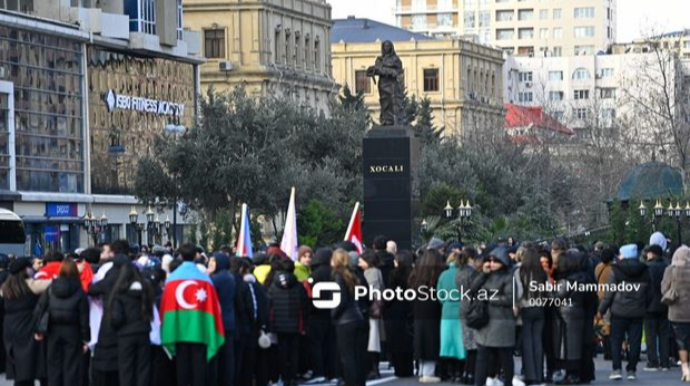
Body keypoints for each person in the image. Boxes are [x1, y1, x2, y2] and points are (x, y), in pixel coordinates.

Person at [160, 243, 226, 386]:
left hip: (179, 330)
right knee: (200, 368)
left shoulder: (171, 280)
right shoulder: (205, 280)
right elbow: (213, 307)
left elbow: (165, 307)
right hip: (200, 329)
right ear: (196, 256)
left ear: (181, 256)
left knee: (182, 367)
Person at [598, 244, 651, 381]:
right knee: (635, 341)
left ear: (624, 255)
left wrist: (601, 310)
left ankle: (617, 369)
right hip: (637, 312)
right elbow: (650, 294)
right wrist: (644, 307)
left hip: (618, 311)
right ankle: (632, 369)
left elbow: (609, 294)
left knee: (616, 341)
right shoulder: (644, 270)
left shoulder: (615, 271)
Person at [33, 258, 89, 386]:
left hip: (53, 330)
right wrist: (86, 338)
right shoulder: (79, 290)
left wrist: (37, 329)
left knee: (53, 366)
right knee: (72, 366)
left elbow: (40, 308)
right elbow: (83, 317)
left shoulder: (52, 287)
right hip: (73, 332)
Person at [2, 258, 51, 386]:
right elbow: (52, 283)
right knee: (31, 362)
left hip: (10, 327)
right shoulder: (31, 285)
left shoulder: (6, 287)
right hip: (27, 325)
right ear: (25, 270)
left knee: (18, 364)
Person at [471, 247, 516, 386]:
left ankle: (508, 382)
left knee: (505, 358)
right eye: (489, 260)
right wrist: (483, 273)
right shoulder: (486, 275)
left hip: (502, 323)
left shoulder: (509, 277)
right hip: (486, 323)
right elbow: (473, 289)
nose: (491, 263)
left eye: (495, 260)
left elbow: (509, 298)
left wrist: (489, 298)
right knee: (482, 359)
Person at [109, 261, 154, 386]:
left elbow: (117, 318)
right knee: (143, 368)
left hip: (125, 334)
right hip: (143, 332)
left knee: (126, 369)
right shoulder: (146, 290)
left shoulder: (119, 293)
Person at [267, 259, 309, 386]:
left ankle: (284, 377)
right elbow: (305, 305)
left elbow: (269, 304)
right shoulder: (299, 285)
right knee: (294, 352)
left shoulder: (273, 286)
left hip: (278, 325)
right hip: (296, 324)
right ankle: (293, 377)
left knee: (282, 351)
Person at [331, 249, 367, 386]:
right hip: (357, 317)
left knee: (348, 357)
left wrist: (333, 315)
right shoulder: (353, 274)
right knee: (358, 356)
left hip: (345, 321)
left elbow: (340, 300)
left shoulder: (338, 275)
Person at [410, 249, 445, 383]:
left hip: (419, 309)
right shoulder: (437, 274)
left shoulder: (417, 274)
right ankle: (428, 373)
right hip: (433, 309)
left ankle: (422, 370)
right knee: (431, 339)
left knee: (421, 337)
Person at [514, 247, 547, 386]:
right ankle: (539, 375)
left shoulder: (520, 271)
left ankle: (530, 375)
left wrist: (517, 305)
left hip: (526, 309)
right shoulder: (542, 272)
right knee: (538, 341)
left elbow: (519, 292)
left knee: (527, 343)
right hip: (540, 309)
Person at [307, 248, 337, 383]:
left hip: (316, 315)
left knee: (316, 345)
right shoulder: (335, 274)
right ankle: (332, 372)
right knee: (331, 345)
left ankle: (319, 372)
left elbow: (308, 296)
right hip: (332, 315)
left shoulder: (314, 275)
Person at [661, 245, 690, 382]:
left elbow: (664, 289)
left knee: (681, 341)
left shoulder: (670, 270)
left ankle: (685, 369)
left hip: (677, 312)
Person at [385, 250, 415, 377]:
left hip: (395, 309)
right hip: (410, 308)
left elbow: (390, 293)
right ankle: (409, 369)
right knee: (408, 340)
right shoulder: (414, 274)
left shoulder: (393, 274)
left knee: (396, 341)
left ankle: (399, 369)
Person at [437, 252, 466, 383]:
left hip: (447, 310)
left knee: (447, 342)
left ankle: (449, 371)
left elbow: (440, 294)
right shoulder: (464, 274)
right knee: (460, 342)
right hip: (461, 309)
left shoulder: (444, 275)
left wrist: (446, 302)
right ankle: (460, 372)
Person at [209, 252, 236, 386]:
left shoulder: (216, 279)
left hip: (218, 321)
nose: (210, 264)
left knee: (218, 357)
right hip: (230, 320)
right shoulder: (230, 277)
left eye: (213, 261)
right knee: (228, 356)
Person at [644, 244, 671, 372]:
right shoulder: (668, 266)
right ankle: (665, 362)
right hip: (665, 303)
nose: (647, 254)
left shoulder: (647, 267)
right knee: (664, 334)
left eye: (648, 252)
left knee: (651, 335)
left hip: (649, 305)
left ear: (653, 254)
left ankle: (653, 362)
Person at [359, 250, 385, 379]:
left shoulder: (371, 273)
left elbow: (372, 291)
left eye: (361, 260)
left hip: (371, 310)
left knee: (372, 340)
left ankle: (373, 368)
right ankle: (374, 367)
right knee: (374, 339)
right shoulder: (377, 271)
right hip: (376, 310)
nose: (359, 262)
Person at [455, 249, 479, 385]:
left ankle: (466, 372)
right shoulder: (472, 273)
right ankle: (471, 372)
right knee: (474, 342)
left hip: (462, 305)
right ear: (472, 258)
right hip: (472, 306)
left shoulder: (459, 272)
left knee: (467, 341)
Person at [595, 247, 616, 360]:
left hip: (599, 296)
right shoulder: (613, 269)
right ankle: (611, 351)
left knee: (604, 325)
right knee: (610, 324)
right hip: (610, 297)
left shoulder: (598, 267)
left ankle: (606, 351)